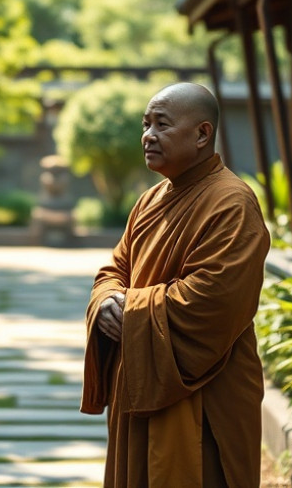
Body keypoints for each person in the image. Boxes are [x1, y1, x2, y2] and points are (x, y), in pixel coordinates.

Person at [80, 82, 270, 487]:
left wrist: (129, 310)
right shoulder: (150, 201)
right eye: (145, 124)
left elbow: (212, 301)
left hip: (205, 394)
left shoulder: (231, 203)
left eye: (162, 125)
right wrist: (108, 300)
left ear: (202, 134)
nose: (148, 135)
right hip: (141, 380)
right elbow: (115, 269)